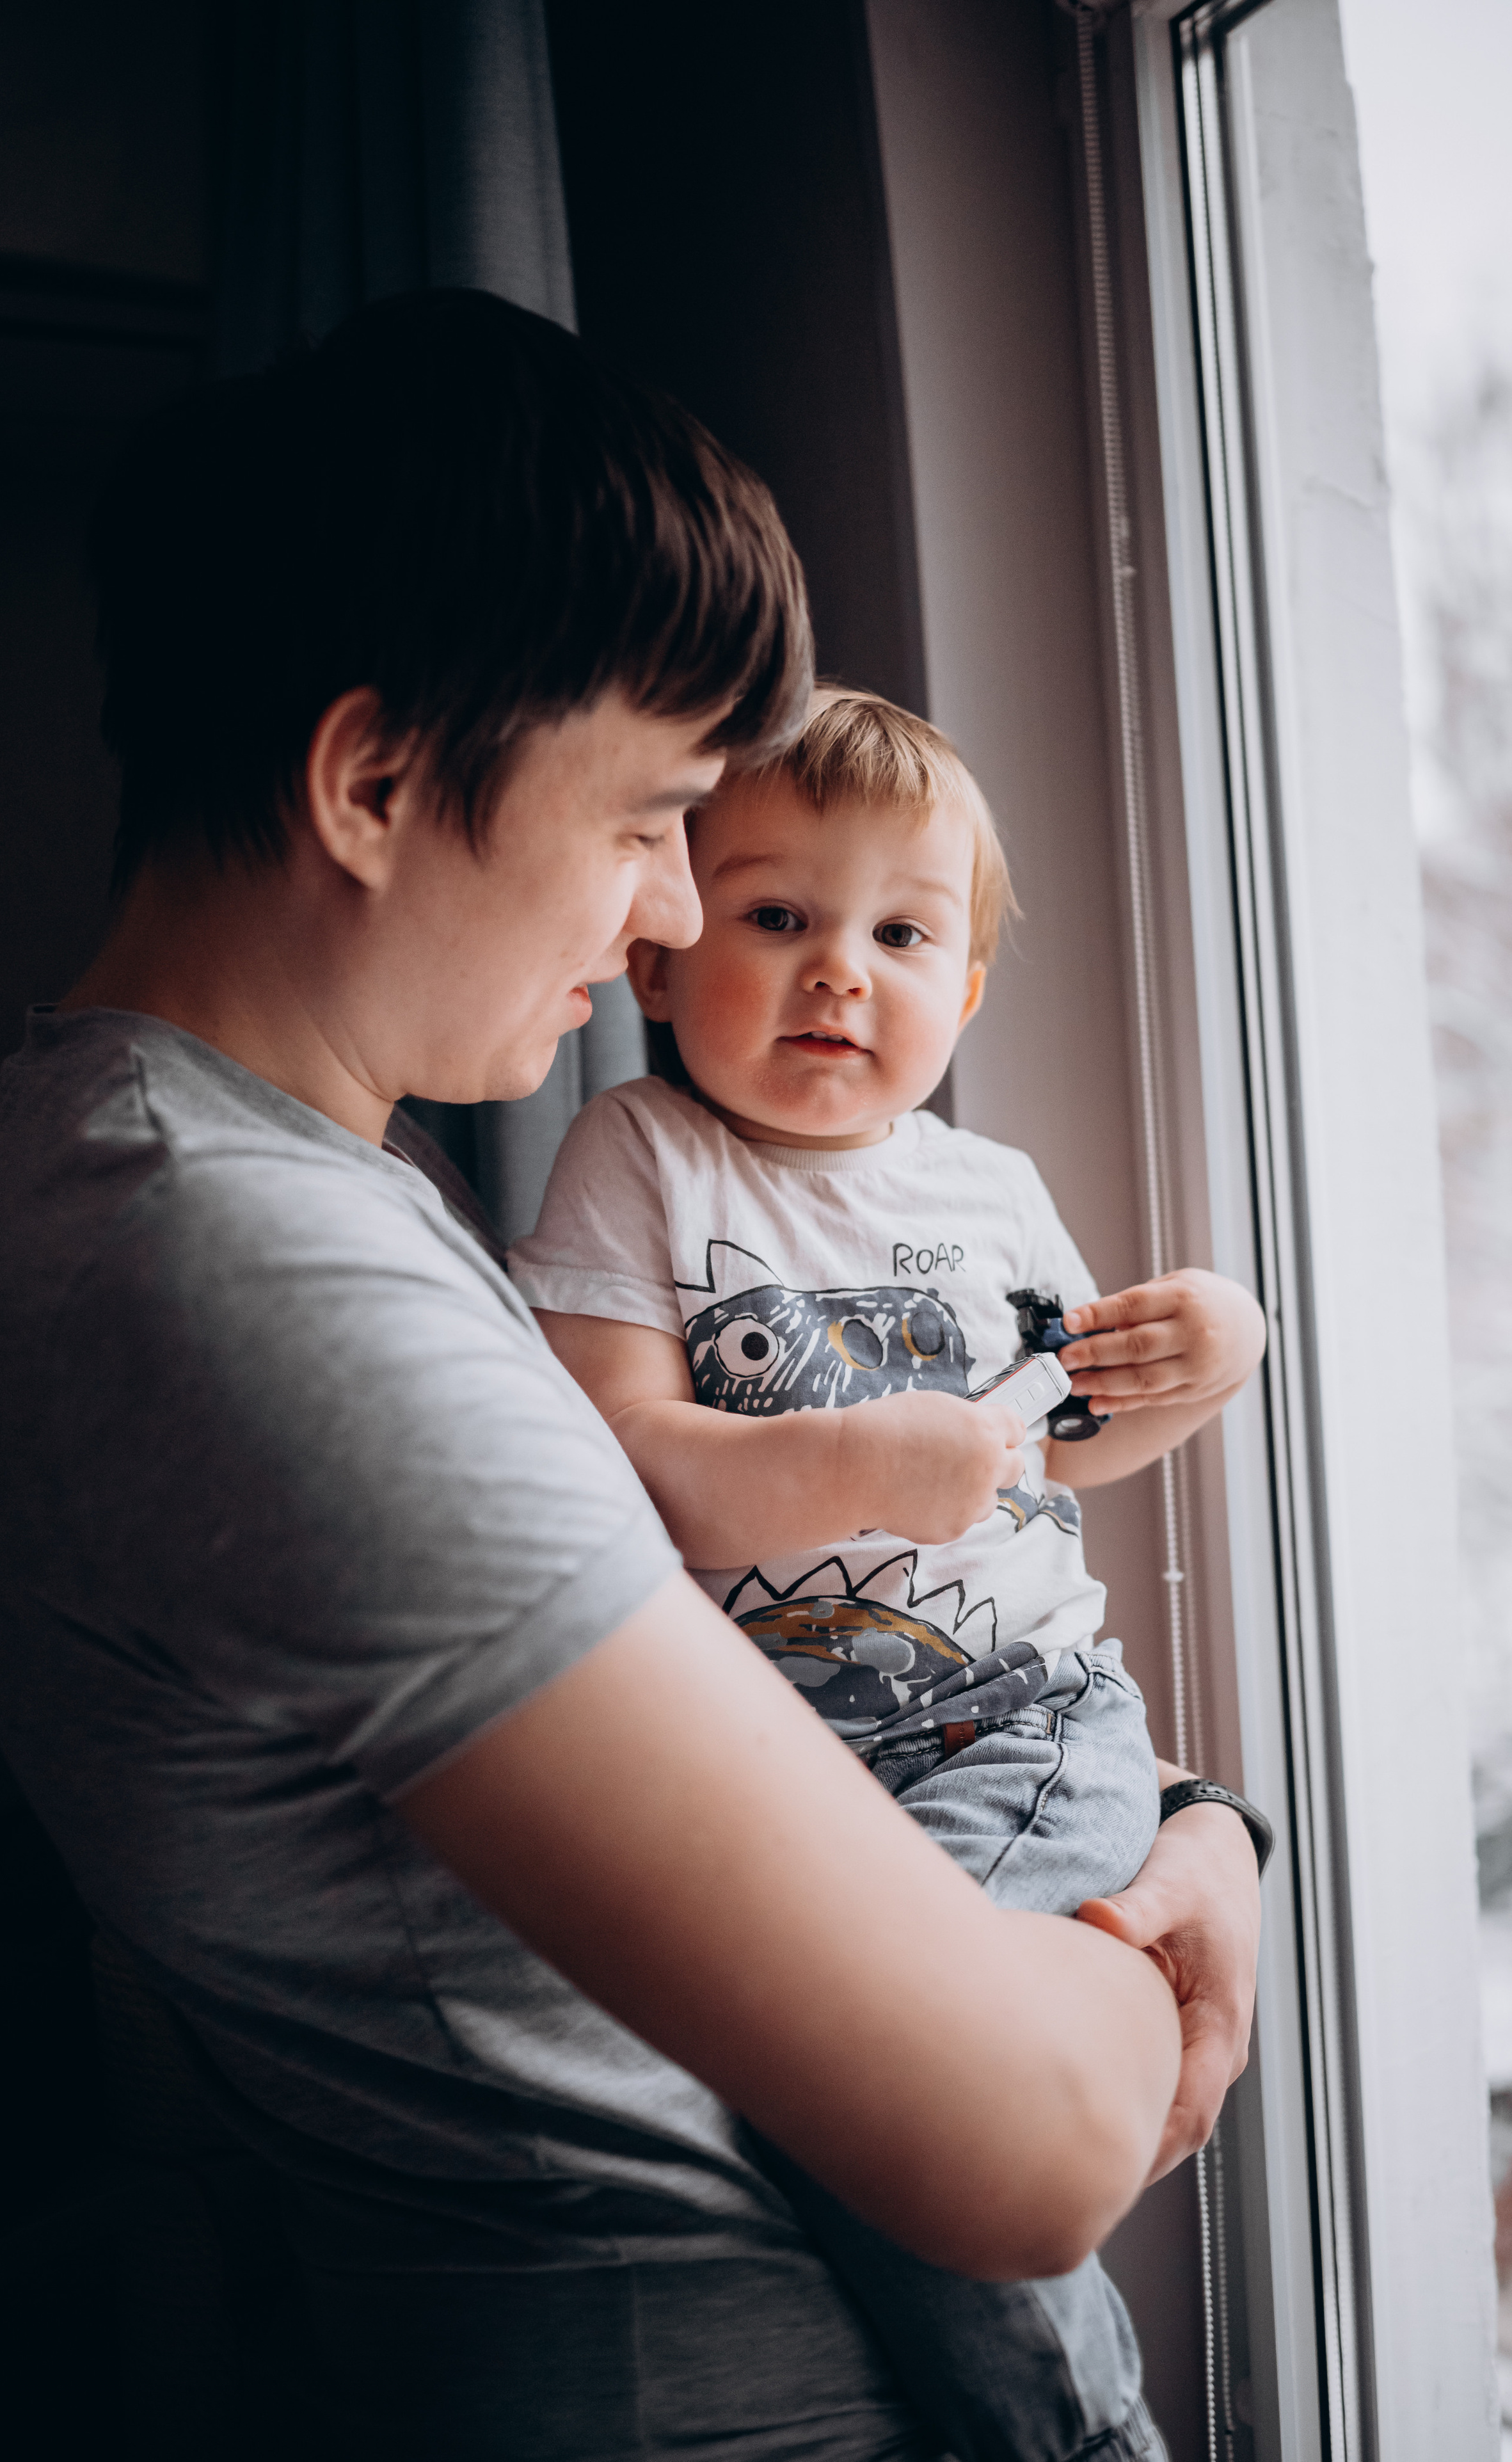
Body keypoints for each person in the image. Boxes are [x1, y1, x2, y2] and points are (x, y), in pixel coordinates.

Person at [0, 291, 1260, 2461]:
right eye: (650, 819)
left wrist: (1169, 1815)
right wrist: (1183, 1900)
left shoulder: (294, 1185)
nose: (668, 921)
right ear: (373, 782)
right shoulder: (248, 1278)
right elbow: (1024, 2147)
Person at [511, 686, 1269, 2458]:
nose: (840, 974)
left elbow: (1067, 1445)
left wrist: (1213, 1360)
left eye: (903, 936)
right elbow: (624, 1461)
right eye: (780, 915)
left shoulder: (990, 1192)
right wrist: (857, 1462)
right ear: (662, 955)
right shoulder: (640, 1157)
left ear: (968, 989)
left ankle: (1072, 2436)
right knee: (863, 2074)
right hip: (785, 1765)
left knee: (899, 2063)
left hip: (1017, 1722)